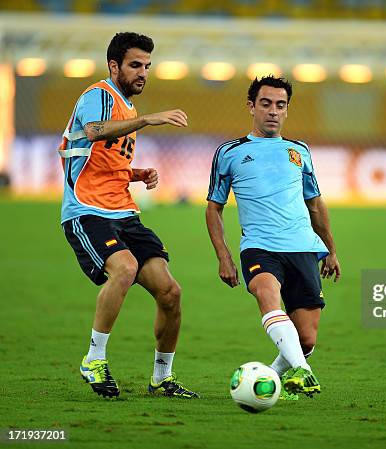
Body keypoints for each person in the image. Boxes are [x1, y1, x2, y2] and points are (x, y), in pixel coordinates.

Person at [59, 32, 198, 399]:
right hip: (87, 210)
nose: (143, 73)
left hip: (123, 211)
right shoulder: (99, 96)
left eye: (147, 66)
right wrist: (149, 120)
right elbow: (93, 132)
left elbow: (104, 159)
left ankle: (162, 377)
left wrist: (137, 173)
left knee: (170, 291)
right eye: (135, 65)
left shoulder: (128, 107)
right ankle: (94, 360)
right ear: (114, 65)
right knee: (124, 267)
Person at [205, 75, 340, 400]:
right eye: (266, 104)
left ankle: (268, 382)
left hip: (304, 248)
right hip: (259, 247)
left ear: (287, 110)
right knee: (268, 296)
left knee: (305, 340)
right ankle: (303, 373)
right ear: (251, 106)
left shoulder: (300, 151)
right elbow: (214, 208)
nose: (273, 111)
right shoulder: (230, 152)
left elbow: (316, 205)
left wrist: (331, 250)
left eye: (280, 105)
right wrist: (224, 255)